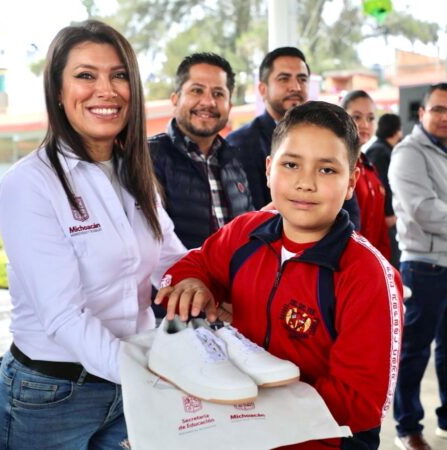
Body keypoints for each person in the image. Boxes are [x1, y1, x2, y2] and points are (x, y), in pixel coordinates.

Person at [0, 20, 186, 450]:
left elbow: (171, 262)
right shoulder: (30, 185)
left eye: (118, 75)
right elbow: (63, 315)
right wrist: (146, 374)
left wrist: (205, 284)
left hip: (127, 386)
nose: (106, 90)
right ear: (58, 91)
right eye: (85, 76)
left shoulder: (136, 176)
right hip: (50, 398)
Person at [156, 101, 403, 450]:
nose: (305, 183)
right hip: (239, 432)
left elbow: (360, 403)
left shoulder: (367, 275)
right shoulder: (246, 231)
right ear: (269, 169)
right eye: (291, 165)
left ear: (352, 182)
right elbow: (197, 262)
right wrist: (192, 282)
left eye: (327, 170)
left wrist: (250, 406)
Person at [389, 82, 447, 450]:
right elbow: (425, 211)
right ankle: (407, 426)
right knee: (414, 352)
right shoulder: (408, 153)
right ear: (422, 113)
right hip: (424, 267)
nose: (444, 118)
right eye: (438, 109)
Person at [149, 52, 253, 250]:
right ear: (175, 99)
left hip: (234, 279)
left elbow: (247, 228)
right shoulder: (148, 157)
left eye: (218, 94)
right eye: (197, 91)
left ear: (229, 106)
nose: (208, 102)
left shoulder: (235, 160)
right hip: (178, 279)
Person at [226, 47, 310, 210]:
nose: (296, 87)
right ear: (263, 90)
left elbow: (347, 206)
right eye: (284, 78)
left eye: (302, 79)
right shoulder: (240, 143)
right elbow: (249, 213)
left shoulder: (324, 139)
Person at [341, 90, 391, 260]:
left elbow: (380, 226)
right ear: (342, 117)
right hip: (346, 262)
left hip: (373, 261)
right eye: (356, 117)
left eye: (370, 118)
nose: (365, 124)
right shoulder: (334, 166)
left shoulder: (369, 168)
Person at [366, 113, 402, 268]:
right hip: (384, 219)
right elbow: (383, 186)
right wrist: (389, 213)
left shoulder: (381, 149)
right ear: (397, 131)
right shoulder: (380, 152)